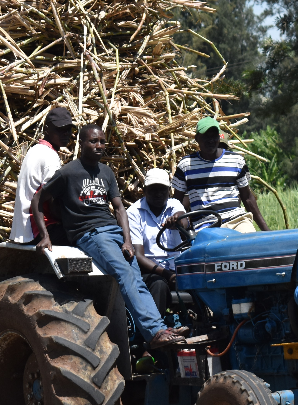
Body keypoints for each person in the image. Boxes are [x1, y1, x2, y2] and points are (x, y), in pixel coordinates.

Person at [31, 124, 185, 349]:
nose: (99, 146)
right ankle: (154, 332)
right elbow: (38, 201)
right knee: (122, 273)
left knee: (136, 279)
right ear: (81, 143)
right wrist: (44, 235)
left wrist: (128, 241)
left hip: (113, 231)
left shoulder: (106, 172)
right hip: (90, 234)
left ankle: (160, 329)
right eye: (93, 141)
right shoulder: (68, 172)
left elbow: (120, 208)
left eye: (102, 141)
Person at [171, 116, 270, 233]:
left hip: (237, 221)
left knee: (249, 244)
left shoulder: (236, 160)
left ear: (219, 137)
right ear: (197, 138)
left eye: (214, 135)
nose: (211, 140)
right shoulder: (186, 165)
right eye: (206, 136)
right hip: (206, 227)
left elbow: (248, 198)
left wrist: (267, 232)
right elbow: (177, 202)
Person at [127, 168, 187, 317]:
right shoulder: (134, 213)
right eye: (154, 190)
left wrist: (178, 220)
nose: (159, 194)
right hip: (150, 271)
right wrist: (167, 274)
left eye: (163, 190)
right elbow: (139, 256)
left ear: (169, 191)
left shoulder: (175, 205)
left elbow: (185, 220)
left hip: (178, 268)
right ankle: (156, 331)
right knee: (159, 284)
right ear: (144, 191)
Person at [9, 107, 74, 245]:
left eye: (68, 129)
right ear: (47, 129)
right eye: (60, 129)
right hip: (38, 230)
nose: (66, 134)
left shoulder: (35, 150)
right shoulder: (49, 156)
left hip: (23, 230)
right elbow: (50, 201)